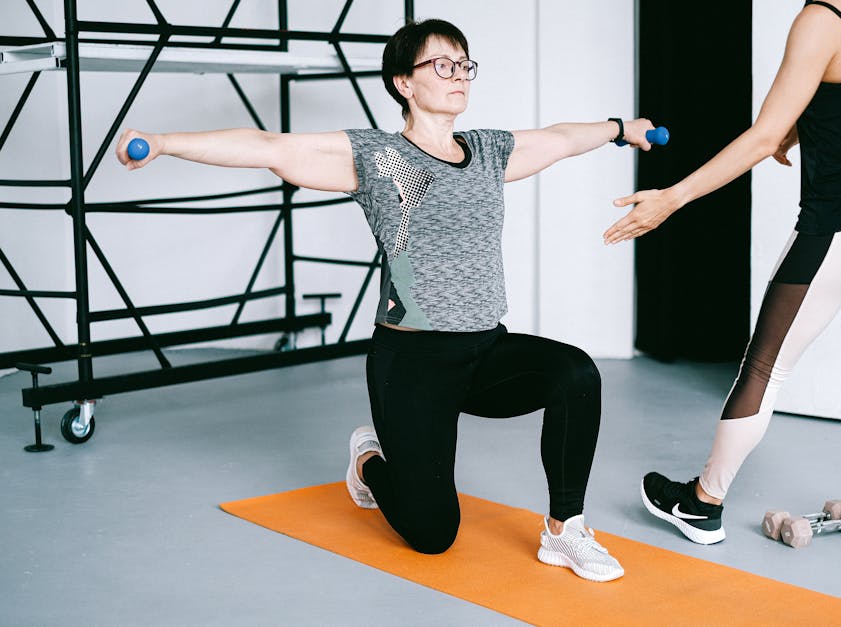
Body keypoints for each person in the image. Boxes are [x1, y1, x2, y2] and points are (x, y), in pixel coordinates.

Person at [117, 18, 655, 582]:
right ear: (404, 82)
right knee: (432, 535)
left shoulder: (489, 152)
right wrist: (162, 144)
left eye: (465, 65)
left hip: (483, 351)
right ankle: (370, 458)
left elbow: (560, 138)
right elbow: (269, 148)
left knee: (576, 374)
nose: (459, 76)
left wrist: (622, 128)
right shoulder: (380, 159)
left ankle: (565, 530)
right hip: (413, 362)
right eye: (442, 65)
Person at [605, 0, 841, 569]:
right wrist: (815, 124)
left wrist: (671, 197)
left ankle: (702, 503)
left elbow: (763, 138)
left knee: (764, 367)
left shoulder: (819, 19)